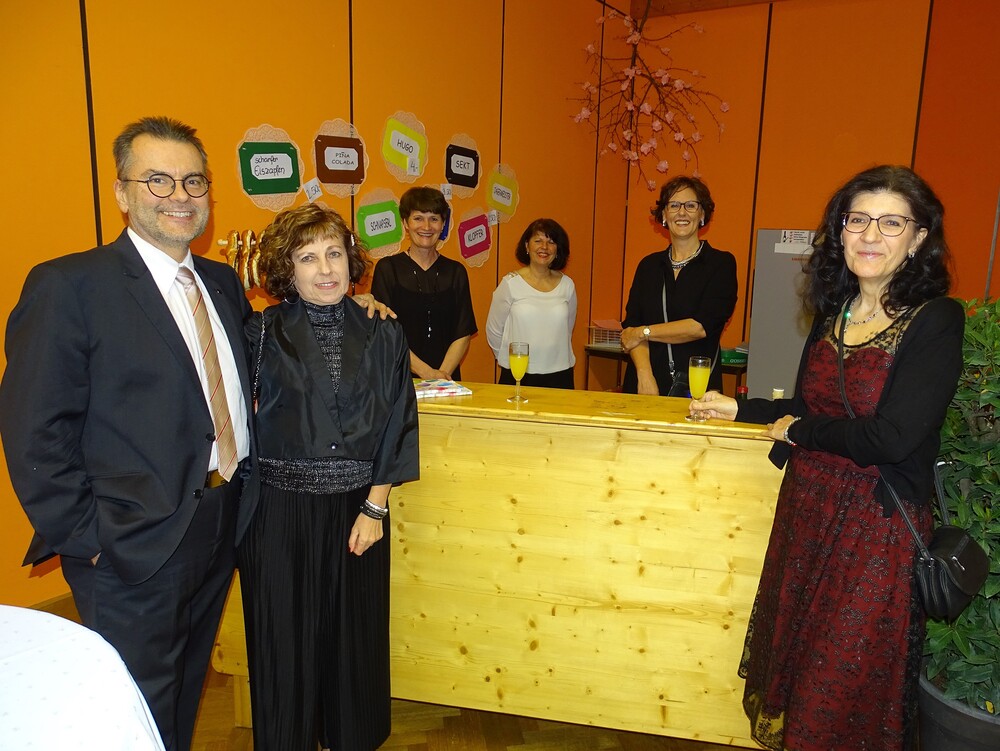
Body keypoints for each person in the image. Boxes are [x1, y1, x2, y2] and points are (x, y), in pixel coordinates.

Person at [690, 165, 964, 750]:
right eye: (857, 220)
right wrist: (744, 408)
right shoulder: (834, 312)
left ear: (918, 238)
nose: (870, 235)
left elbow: (891, 437)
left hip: (876, 528)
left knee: (841, 683)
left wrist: (800, 430)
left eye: (891, 223)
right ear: (840, 232)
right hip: (809, 511)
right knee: (797, 668)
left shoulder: (935, 320)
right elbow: (806, 407)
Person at [0, 116, 252, 751]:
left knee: (186, 685)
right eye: (157, 180)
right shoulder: (69, 286)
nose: (179, 195)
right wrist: (89, 539)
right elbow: (33, 430)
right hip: (130, 543)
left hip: (220, 519)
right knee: (134, 704)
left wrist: (357, 308)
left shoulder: (221, 282)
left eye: (193, 180)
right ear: (121, 192)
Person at [237, 203, 419, 751]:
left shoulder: (384, 329)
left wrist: (375, 507)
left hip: (357, 512)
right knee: (282, 643)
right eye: (308, 257)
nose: (325, 269)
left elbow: (398, 420)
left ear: (351, 261)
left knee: (353, 641)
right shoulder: (260, 331)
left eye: (334, 253)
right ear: (286, 270)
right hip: (278, 513)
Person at [620, 176, 737, 396]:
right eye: (674, 205)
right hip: (644, 386)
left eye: (690, 205)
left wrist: (643, 332)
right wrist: (645, 376)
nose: (682, 212)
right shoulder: (648, 266)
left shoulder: (721, 264)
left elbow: (700, 327)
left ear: (702, 215)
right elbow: (630, 329)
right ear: (664, 215)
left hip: (696, 388)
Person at [370, 186, 477, 379]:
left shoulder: (456, 272)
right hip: (399, 379)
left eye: (434, 219)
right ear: (405, 223)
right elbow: (384, 332)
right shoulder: (388, 269)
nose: (426, 227)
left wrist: (441, 376)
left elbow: (463, 332)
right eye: (418, 218)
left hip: (446, 379)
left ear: (443, 224)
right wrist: (427, 373)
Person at [486, 218, 577, 389]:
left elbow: (568, 328)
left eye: (551, 242)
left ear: (558, 250)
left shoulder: (567, 285)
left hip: (560, 375)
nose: (544, 247)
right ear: (527, 246)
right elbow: (494, 330)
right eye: (538, 241)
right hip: (519, 373)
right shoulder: (510, 283)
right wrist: (509, 360)